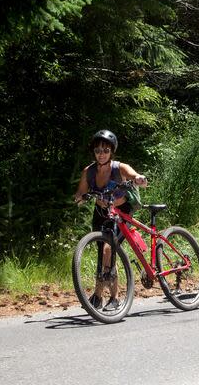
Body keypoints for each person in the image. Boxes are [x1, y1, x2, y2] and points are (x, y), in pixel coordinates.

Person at [73, 129, 148, 309]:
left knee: (109, 250)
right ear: (93, 152)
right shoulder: (89, 171)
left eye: (106, 150)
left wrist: (138, 179)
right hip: (101, 213)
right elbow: (81, 192)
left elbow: (133, 175)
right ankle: (99, 297)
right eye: (98, 150)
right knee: (103, 254)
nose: (101, 154)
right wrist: (79, 198)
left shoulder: (119, 167)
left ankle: (112, 297)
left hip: (121, 212)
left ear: (111, 151)